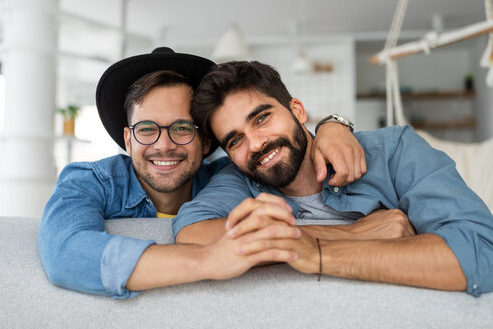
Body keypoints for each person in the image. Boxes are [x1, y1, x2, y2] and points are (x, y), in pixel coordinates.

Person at [38, 48, 367, 298]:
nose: (164, 146)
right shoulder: (90, 181)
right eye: (147, 129)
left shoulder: (236, 178)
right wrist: (207, 260)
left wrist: (332, 126)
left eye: (182, 128)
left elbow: (293, 157)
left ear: (207, 139)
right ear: (128, 138)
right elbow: (65, 253)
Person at [172, 60, 493, 297]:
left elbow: (480, 252)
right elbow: (192, 234)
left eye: (262, 118)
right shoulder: (240, 180)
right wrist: (353, 234)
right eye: (235, 140)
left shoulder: (392, 150)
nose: (255, 144)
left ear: (297, 110)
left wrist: (316, 253)